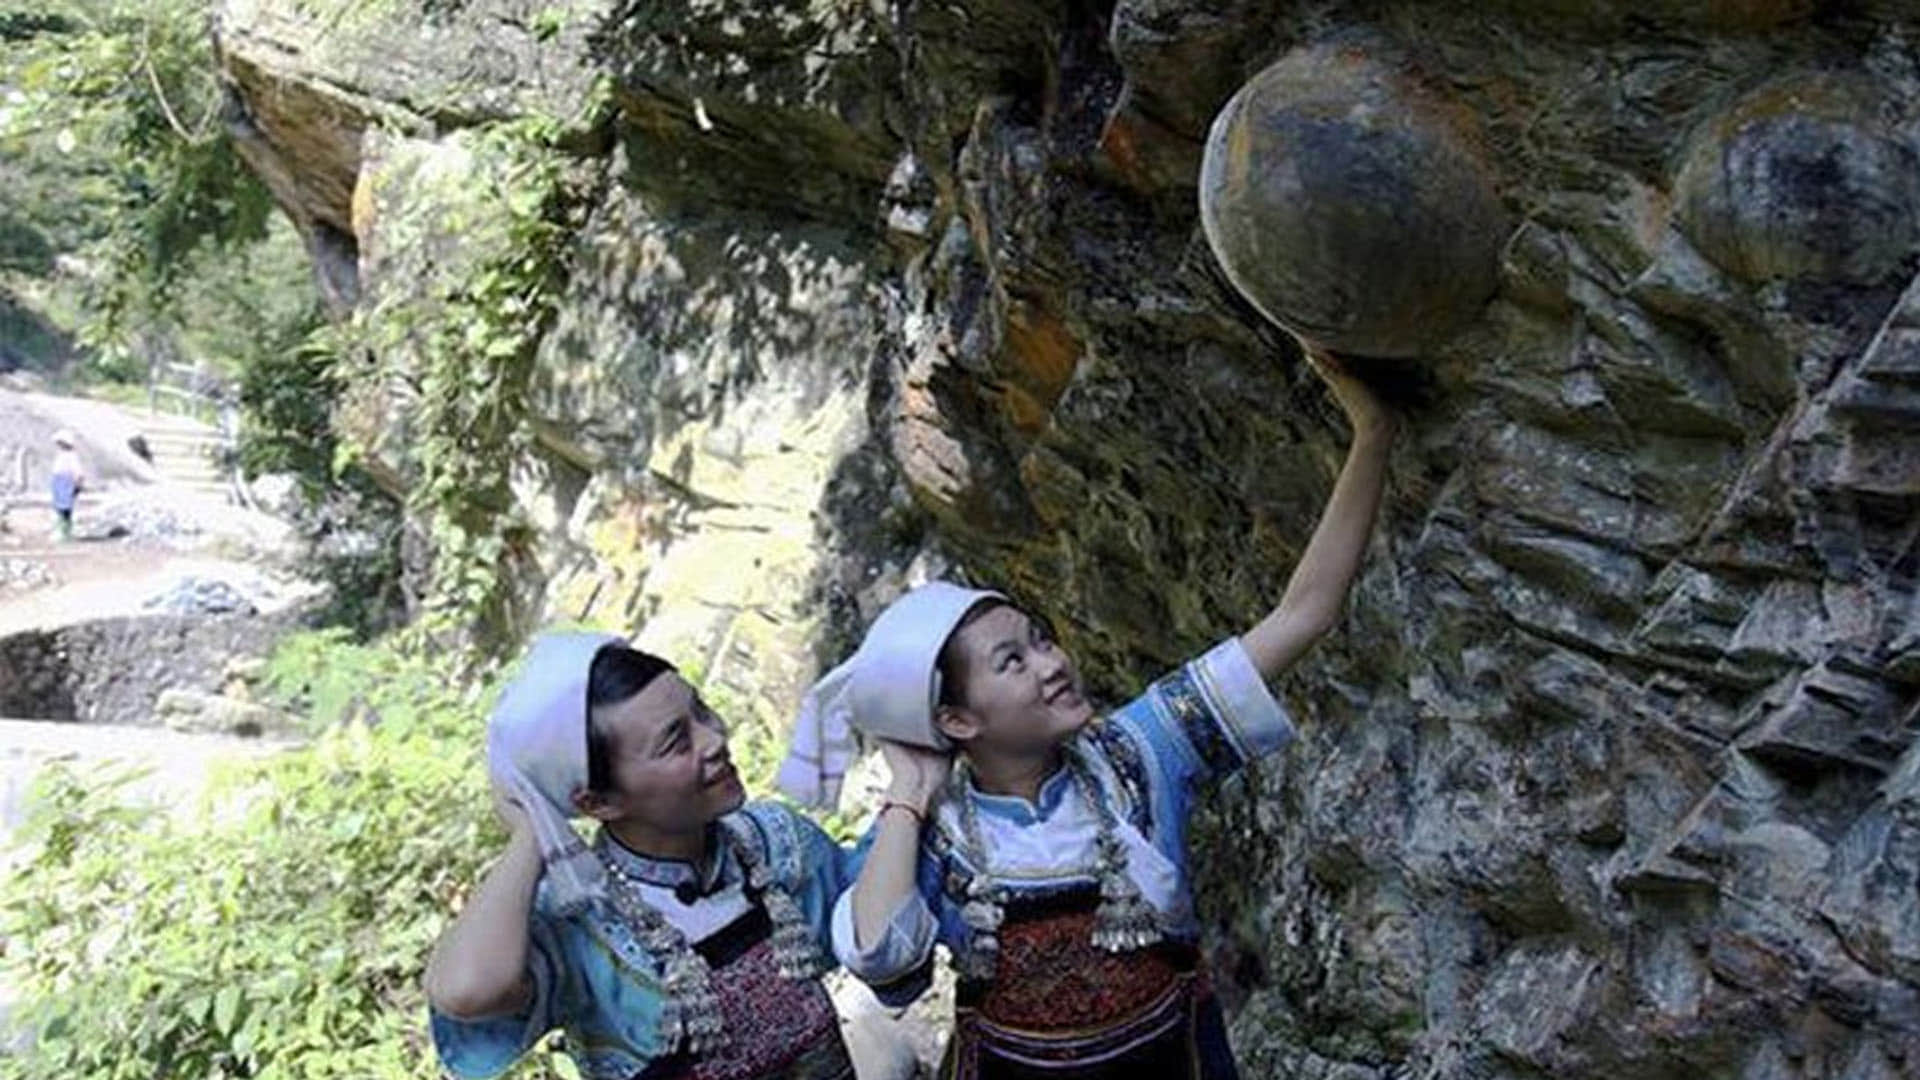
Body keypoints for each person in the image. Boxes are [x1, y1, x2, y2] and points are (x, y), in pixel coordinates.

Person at [779, 347, 1394, 1078]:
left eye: (1040, 639)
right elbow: (881, 958)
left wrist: (1373, 433)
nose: (1052, 663)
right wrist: (909, 796)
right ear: (957, 721)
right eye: (1012, 661)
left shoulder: (1141, 753)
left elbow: (1304, 614)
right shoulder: (938, 834)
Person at [425, 633, 862, 1080]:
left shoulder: (773, 841)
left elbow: (877, 926)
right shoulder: (583, 920)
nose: (714, 739)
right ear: (597, 803)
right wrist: (533, 830)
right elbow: (467, 990)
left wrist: (904, 783)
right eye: (676, 742)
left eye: (700, 711)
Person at [48, 430, 84, 542]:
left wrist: (78, 483)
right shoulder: (61, 455)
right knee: (58, 506)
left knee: (65, 507)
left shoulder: (71, 456)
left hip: (66, 481)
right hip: (58, 481)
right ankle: (61, 530)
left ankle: (65, 532)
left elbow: (78, 471)